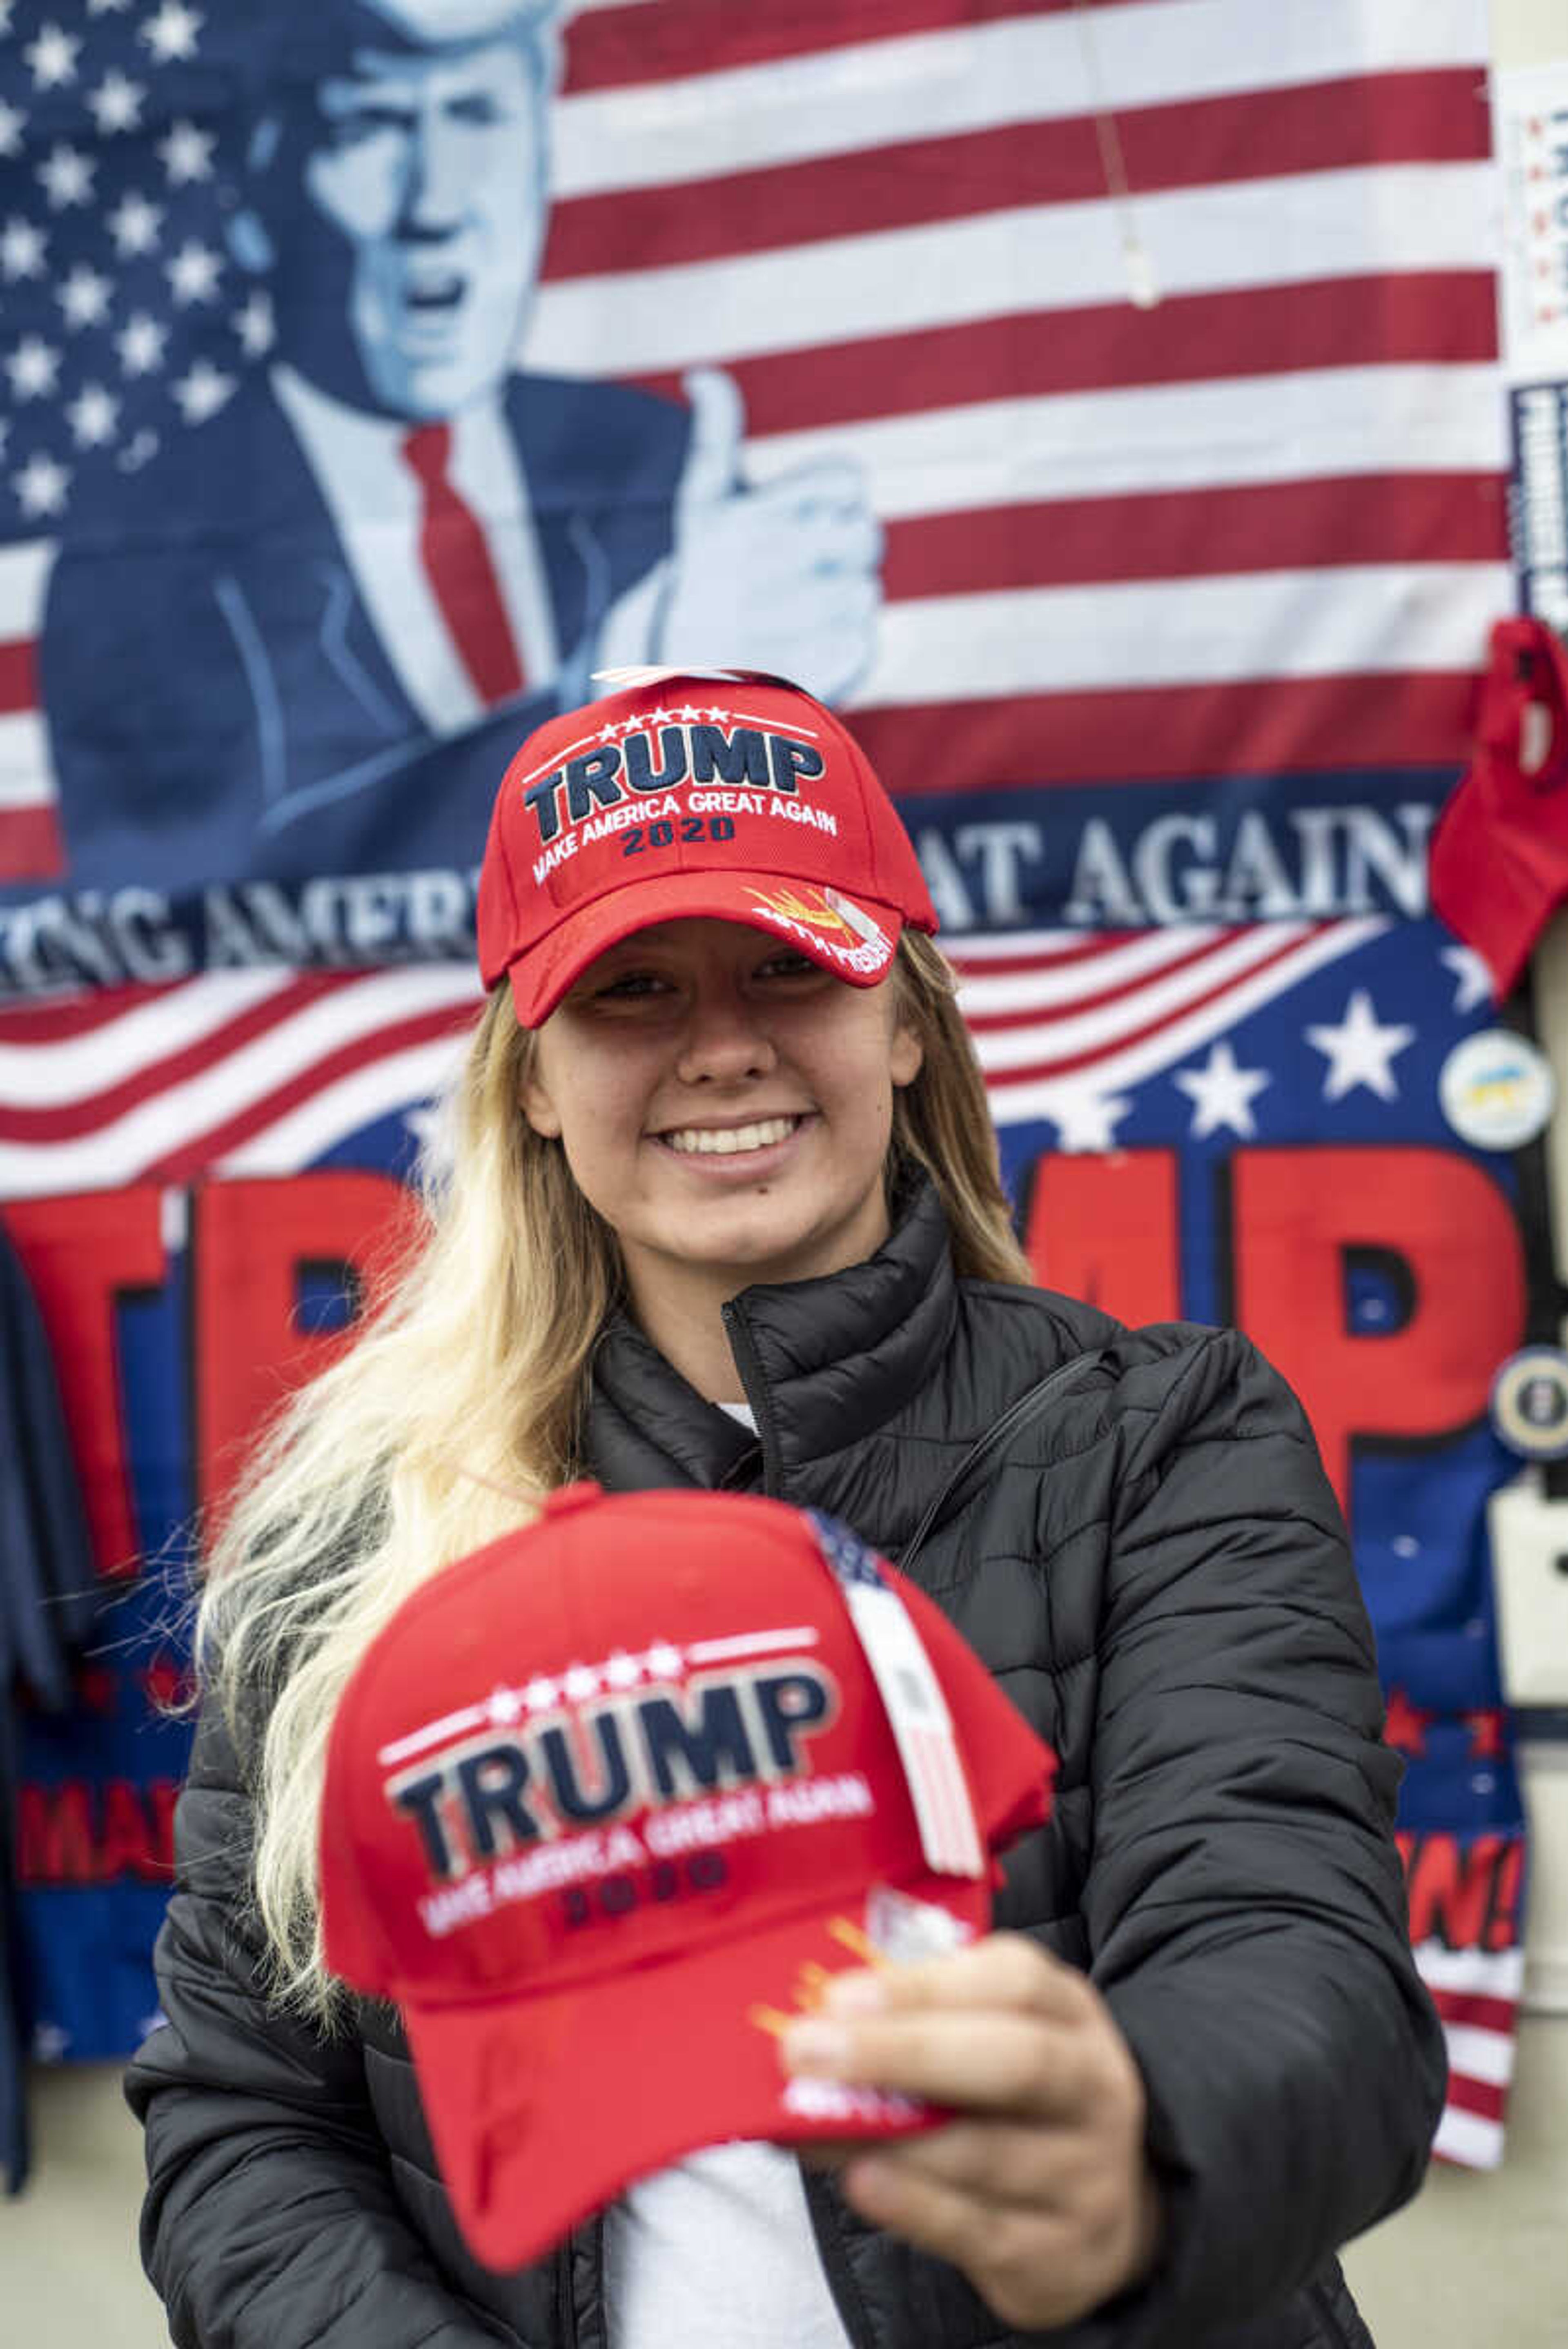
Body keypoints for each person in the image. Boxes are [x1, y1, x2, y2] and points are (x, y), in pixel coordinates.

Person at [127, 668, 1446, 2348]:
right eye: (631, 989)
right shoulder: (352, 1541)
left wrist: (1139, 2140)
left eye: (785, 966)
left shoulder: (1164, 1438)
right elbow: (247, 2125)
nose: (723, 1043)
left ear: (905, 1018)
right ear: (529, 1079)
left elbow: (1294, 1949)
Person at [39, 0, 880, 898]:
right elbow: (198, 907)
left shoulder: (661, 465)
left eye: (479, 117)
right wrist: (624, 720)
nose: (436, 204)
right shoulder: (136, 556)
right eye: (371, 125)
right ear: (259, 188)